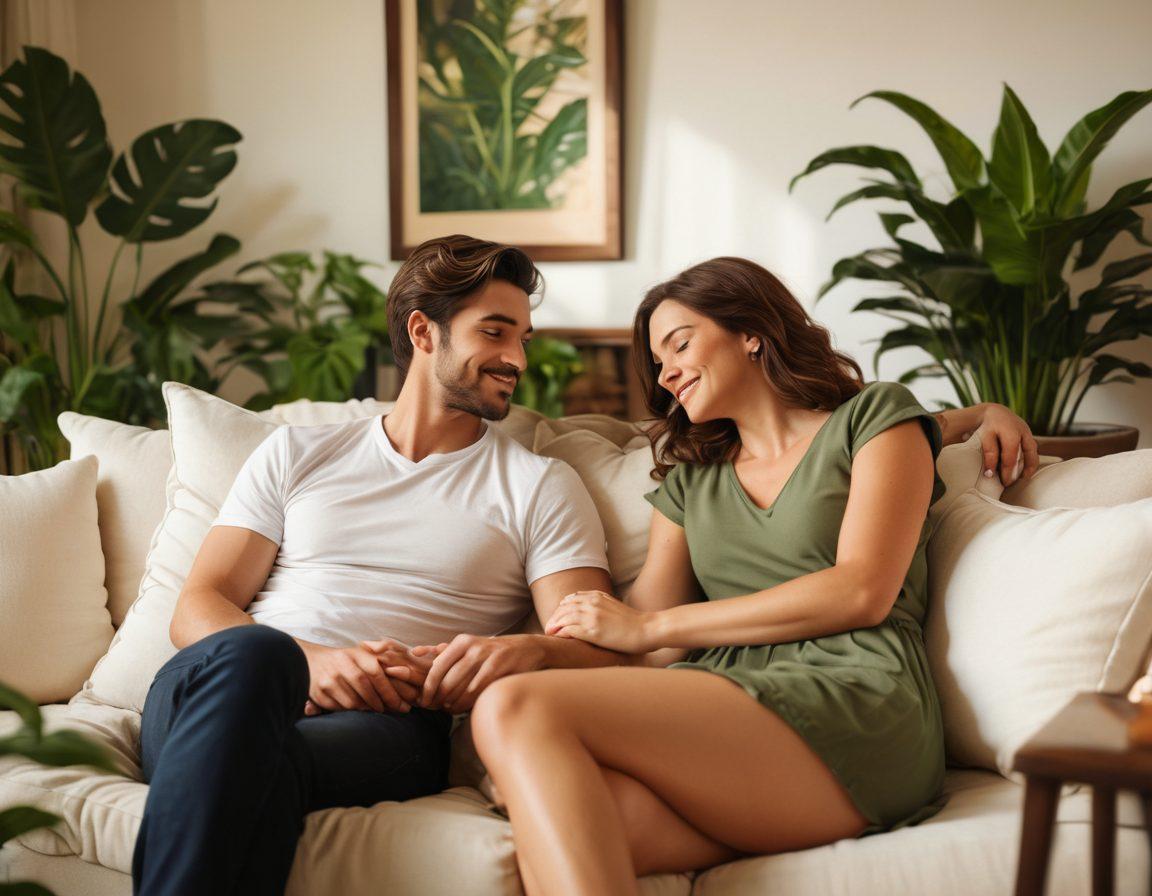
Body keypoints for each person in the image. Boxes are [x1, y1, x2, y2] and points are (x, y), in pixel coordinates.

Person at [469, 256, 1039, 896]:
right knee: (567, 827)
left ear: (751, 332)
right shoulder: (691, 480)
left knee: (513, 707)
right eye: (657, 361)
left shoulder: (872, 420)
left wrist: (985, 412)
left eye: (680, 344)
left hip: (855, 692)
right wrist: (524, 651)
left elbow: (861, 590)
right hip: (736, 717)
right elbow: (642, 645)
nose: (667, 373)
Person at [131, 235, 624, 896]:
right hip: (217, 686)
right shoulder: (295, 453)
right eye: (495, 332)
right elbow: (198, 606)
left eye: (523, 338)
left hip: (384, 721)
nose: (517, 358)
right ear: (423, 331)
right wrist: (310, 662)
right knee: (257, 661)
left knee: (249, 764)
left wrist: (527, 651)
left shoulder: (539, 485)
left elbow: (598, 647)